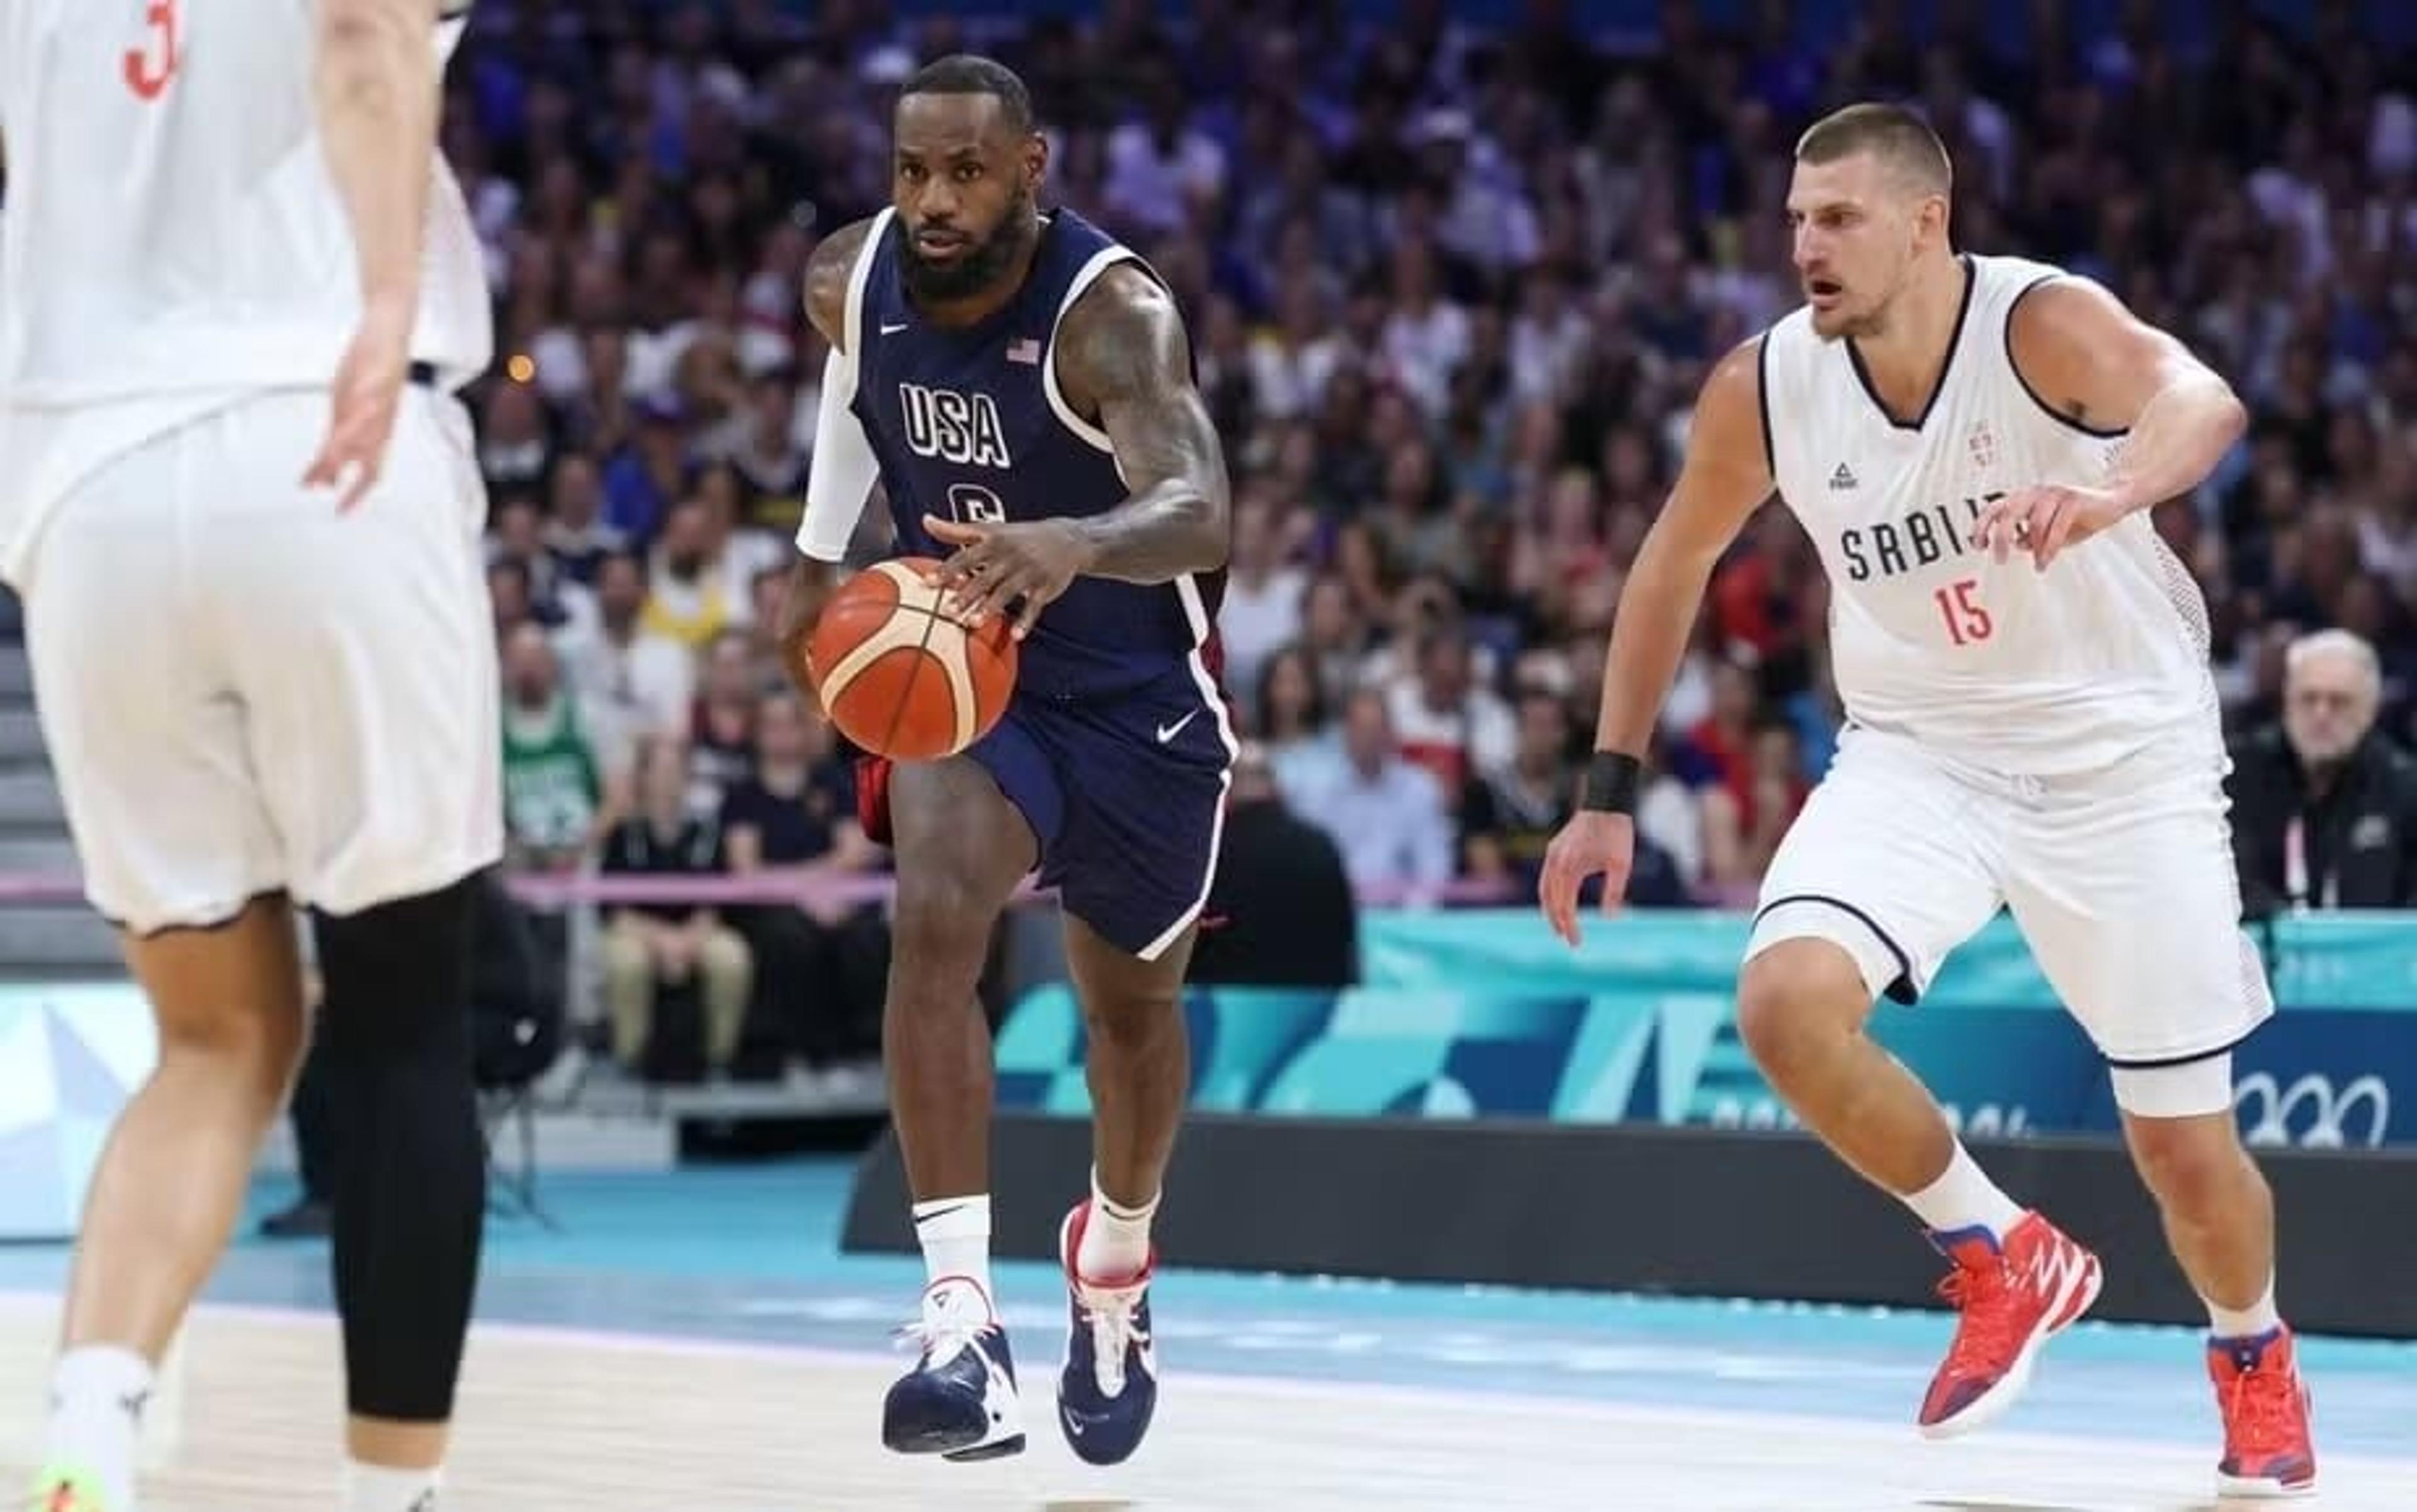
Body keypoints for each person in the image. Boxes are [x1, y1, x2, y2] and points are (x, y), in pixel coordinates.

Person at [1538, 103, 2316, 1499]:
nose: (1805, 248)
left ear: (1924, 222)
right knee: (1781, 1002)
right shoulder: (1768, 383)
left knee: (2187, 1157)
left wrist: (2111, 490)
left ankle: (2252, 1351)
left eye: (1837, 220)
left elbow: (2204, 398)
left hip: (2119, 759)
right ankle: (1997, 1248)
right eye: (1793, 220)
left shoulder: (2037, 325)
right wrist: (1607, 791)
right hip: (1920, 749)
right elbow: (1669, 568)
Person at [3, 4, 499, 1510]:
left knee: (216, 1037)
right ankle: (388, 1490)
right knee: (409, 1015)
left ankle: (93, 1409)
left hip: (85, 486)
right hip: (321, 432)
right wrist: (388, 295)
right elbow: (362, 33)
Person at [777, 55, 1234, 1468]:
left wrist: (1079, 540)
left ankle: (1115, 1259)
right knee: (935, 918)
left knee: (1131, 1022)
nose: (934, 200)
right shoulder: (846, 278)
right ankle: (959, 1322)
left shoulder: (1114, 320)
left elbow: (1202, 505)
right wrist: (815, 569)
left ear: (1031, 170)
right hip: (975, 659)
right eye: (914, 171)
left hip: (1134, 683)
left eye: (967, 172)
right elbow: (858, 396)